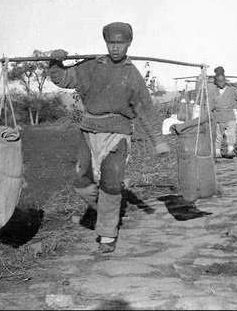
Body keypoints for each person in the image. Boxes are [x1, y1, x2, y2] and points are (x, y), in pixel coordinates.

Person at [48, 22, 170, 254]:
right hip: (89, 130)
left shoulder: (132, 74)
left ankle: (107, 235)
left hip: (118, 134)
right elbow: (62, 79)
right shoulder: (91, 66)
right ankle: (105, 211)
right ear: (106, 43)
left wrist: (158, 141)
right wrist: (55, 62)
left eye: (120, 43)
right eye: (111, 43)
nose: (115, 48)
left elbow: (145, 108)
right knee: (82, 183)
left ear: (128, 44)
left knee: (111, 186)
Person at [198, 70, 237, 159]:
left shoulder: (232, 89)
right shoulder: (213, 90)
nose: (221, 83)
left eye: (222, 80)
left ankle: (230, 150)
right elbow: (209, 103)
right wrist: (208, 114)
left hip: (230, 115)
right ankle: (217, 152)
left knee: (231, 134)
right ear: (216, 82)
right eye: (219, 81)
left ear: (225, 80)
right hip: (218, 116)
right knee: (217, 135)